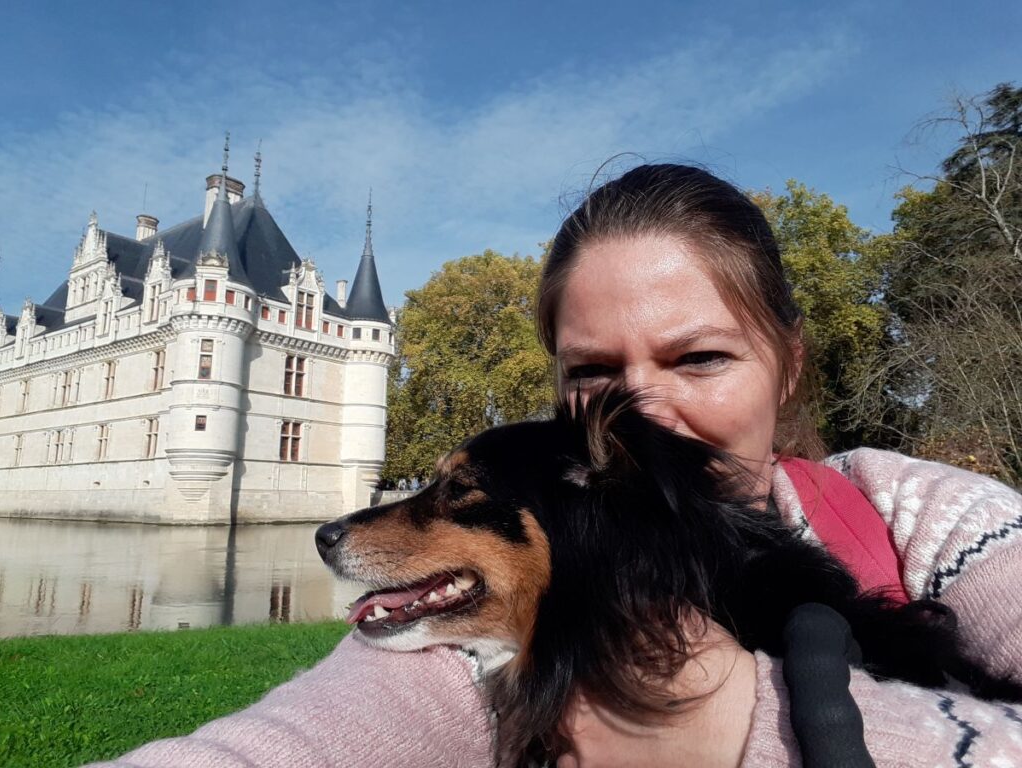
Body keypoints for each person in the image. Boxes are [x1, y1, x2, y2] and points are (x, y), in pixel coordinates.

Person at [89, 165, 1022, 768]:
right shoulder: (511, 606)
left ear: (790, 365)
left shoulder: (916, 512)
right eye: (594, 372)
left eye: (698, 357)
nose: (644, 406)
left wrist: (731, 721)